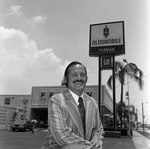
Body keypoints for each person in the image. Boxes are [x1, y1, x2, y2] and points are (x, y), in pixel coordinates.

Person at [41, 61, 104, 149]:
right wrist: (90, 146)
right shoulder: (56, 100)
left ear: (86, 79)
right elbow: (61, 135)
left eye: (82, 75)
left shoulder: (93, 102)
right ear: (66, 79)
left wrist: (97, 137)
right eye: (74, 74)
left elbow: (98, 129)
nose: (79, 78)